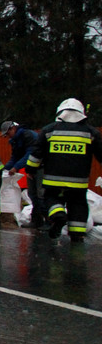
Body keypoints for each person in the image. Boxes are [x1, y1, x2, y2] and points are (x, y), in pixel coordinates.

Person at [26, 98, 102, 242]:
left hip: (53, 181)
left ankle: (58, 215)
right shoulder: (91, 132)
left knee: (52, 199)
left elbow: (36, 153)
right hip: (78, 184)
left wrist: (30, 169)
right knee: (78, 205)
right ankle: (77, 235)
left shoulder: (49, 130)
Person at [1, 120, 45, 228]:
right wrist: (5, 169)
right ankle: (36, 221)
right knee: (32, 194)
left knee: (40, 194)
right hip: (31, 168)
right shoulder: (16, 140)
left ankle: (46, 221)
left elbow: (30, 154)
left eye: (7, 133)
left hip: (41, 166)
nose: (7, 136)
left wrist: (16, 167)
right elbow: (15, 157)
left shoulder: (28, 136)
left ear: (13, 129)